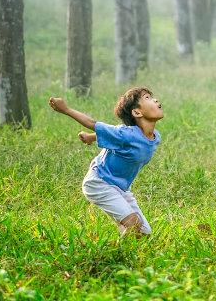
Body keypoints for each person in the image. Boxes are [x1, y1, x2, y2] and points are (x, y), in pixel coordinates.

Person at [48, 88, 164, 236]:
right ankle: (113, 255)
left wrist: (90, 137)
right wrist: (66, 109)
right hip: (99, 183)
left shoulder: (155, 137)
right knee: (134, 226)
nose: (155, 100)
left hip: (120, 188)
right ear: (137, 112)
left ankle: (124, 232)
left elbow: (113, 137)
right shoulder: (125, 134)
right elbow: (93, 123)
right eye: (147, 98)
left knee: (144, 233)